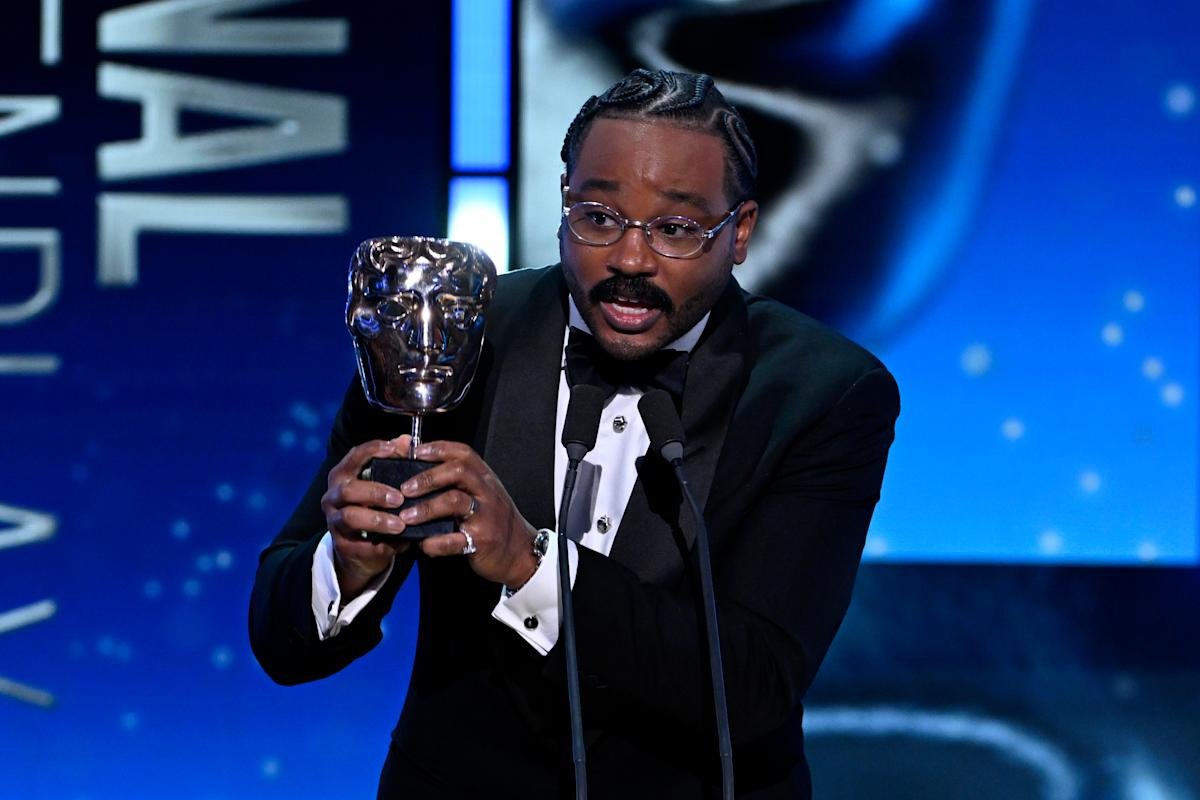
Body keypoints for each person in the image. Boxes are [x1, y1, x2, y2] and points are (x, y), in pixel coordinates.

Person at [250, 68, 899, 798]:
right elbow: (281, 644)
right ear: (563, 201)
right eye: (599, 217)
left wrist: (529, 564)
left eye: (676, 229)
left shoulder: (822, 392)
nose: (630, 259)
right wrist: (346, 565)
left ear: (740, 231)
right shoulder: (452, 333)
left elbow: (752, 688)